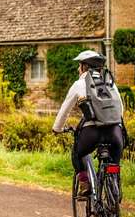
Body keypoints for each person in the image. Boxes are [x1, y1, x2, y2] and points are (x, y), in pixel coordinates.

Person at [52, 50, 125, 196]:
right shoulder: (110, 82)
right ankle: (114, 185)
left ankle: (85, 184)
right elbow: (120, 108)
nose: (77, 68)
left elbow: (65, 109)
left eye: (79, 65)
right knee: (114, 163)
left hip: (92, 133)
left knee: (77, 153)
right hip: (115, 132)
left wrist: (57, 128)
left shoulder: (79, 84)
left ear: (84, 67)